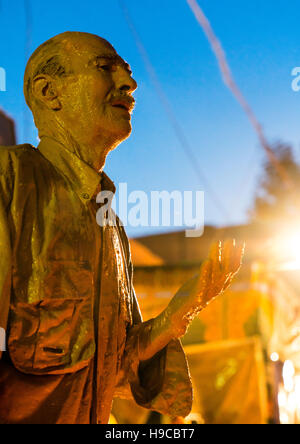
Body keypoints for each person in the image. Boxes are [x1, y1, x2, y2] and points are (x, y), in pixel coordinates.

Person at [0, 32, 244, 424]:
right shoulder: (10, 181)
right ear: (50, 92)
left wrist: (175, 315)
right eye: (105, 68)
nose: (130, 84)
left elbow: (112, 367)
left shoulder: (107, 216)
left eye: (127, 73)